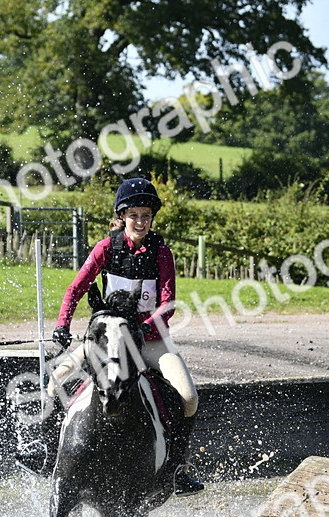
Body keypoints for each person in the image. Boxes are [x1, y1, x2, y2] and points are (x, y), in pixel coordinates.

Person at [16, 178, 204, 495]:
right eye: (134, 216)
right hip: (108, 342)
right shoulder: (106, 248)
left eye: (146, 215)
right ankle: (47, 456)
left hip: (151, 343)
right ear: (122, 217)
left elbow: (167, 303)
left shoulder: (162, 252)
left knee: (188, 397)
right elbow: (76, 289)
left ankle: (177, 470)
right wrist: (62, 325)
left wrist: (145, 328)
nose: (141, 222)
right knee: (56, 381)